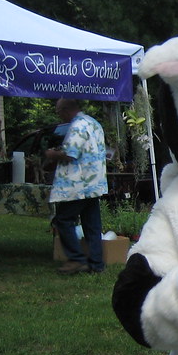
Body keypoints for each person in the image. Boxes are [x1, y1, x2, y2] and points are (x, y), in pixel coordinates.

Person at [45, 98, 108, 275]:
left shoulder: (77, 126)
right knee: (92, 225)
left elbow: (70, 154)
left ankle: (77, 259)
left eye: (59, 112)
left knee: (63, 219)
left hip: (77, 184)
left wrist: (52, 154)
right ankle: (96, 264)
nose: (59, 116)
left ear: (66, 110)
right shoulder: (93, 123)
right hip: (94, 182)